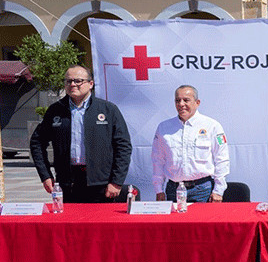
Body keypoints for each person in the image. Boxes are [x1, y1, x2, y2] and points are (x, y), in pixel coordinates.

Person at [30, 65, 132, 203]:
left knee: (100, 224)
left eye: (78, 81)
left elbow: (123, 146)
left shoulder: (108, 110)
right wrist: (45, 175)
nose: (72, 84)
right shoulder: (55, 110)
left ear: (90, 84)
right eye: (68, 81)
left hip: (101, 185)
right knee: (70, 224)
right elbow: (37, 142)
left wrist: (116, 181)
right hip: (68, 184)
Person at [152, 85, 230, 202]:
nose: (181, 104)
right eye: (178, 100)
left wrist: (218, 191)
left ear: (197, 102)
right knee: (174, 221)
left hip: (203, 190)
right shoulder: (164, 128)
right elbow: (158, 160)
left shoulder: (212, 126)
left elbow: (222, 159)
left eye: (186, 100)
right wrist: (159, 190)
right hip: (173, 190)